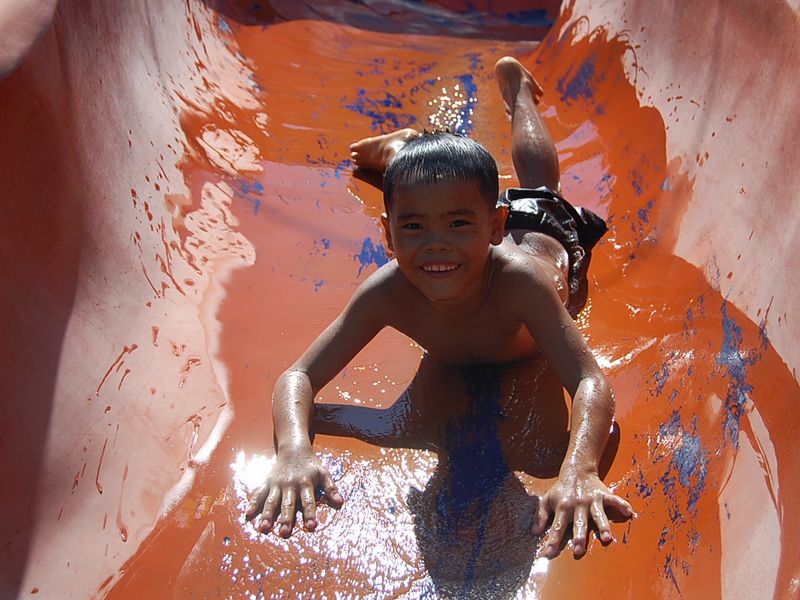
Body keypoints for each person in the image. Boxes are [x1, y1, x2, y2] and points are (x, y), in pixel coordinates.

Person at [246, 56, 635, 559]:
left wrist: (579, 468)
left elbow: (589, 381)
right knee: (429, 184)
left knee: (541, 182)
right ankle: (405, 152)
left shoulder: (521, 286)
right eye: (412, 228)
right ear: (388, 236)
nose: (436, 246)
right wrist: (294, 450)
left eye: (458, 226)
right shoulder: (389, 291)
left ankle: (517, 90)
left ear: (494, 228)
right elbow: (298, 377)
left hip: (541, 232)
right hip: (472, 213)